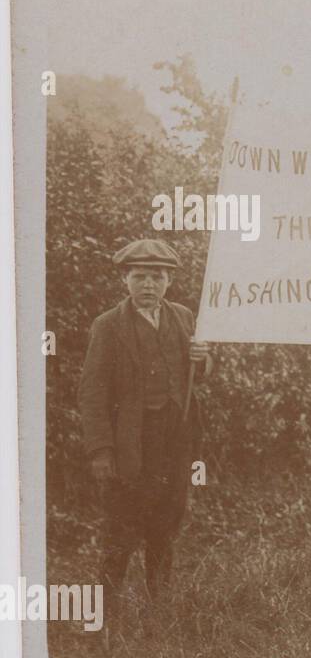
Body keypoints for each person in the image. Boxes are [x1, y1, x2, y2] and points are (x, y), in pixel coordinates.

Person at [78, 238, 213, 601]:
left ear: (169, 280)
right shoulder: (107, 326)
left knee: (166, 522)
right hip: (130, 444)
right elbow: (92, 393)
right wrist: (101, 451)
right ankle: (104, 615)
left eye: (156, 277)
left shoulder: (183, 316)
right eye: (139, 277)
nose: (148, 285)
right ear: (125, 280)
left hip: (175, 440)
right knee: (120, 530)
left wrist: (202, 359)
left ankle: (159, 604)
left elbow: (194, 378)